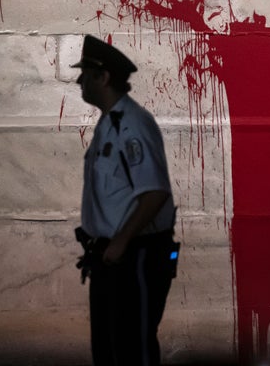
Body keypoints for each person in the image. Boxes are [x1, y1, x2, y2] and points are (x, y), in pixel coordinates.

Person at [73, 34, 178, 366]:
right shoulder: (110, 122)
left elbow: (155, 192)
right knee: (108, 350)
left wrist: (120, 241)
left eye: (85, 73)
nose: (79, 80)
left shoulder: (131, 124)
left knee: (133, 351)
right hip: (111, 256)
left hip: (136, 256)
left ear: (102, 78)